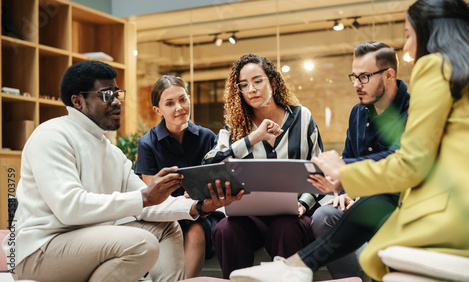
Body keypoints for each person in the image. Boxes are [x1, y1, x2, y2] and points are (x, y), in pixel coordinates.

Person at [229, 0, 469, 281]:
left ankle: (297, 267)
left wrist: (343, 171)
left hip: (461, 219)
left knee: (382, 199)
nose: (406, 48)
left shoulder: (436, 67)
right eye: (354, 77)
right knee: (347, 208)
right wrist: (344, 183)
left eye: (408, 34)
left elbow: (412, 163)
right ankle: (299, 266)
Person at [2, 60, 242, 282]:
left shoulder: (111, 152)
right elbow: (70, 208)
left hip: (84, 241)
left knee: (168, 226)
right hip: (39, 250)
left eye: (117, 93)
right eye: (106, 94)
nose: (116, 101)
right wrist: (144, 197)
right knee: (142, 243)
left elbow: (150, 203)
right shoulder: (52, 135)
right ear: (77, 101)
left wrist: (198, 207)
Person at [203, 53, 324, 279]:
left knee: (286, 229)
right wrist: (253, 138)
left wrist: (303, 204)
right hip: (250, 217)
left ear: (273, 82)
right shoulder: (234, 128)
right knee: (224, 230)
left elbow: (320, 171)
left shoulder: (302, 117)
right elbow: (210, 163)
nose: (251, 89)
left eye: (258, 81)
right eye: (244, 85)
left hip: (294, 215)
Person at [308, 41, 410, 279]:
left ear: (389, 74)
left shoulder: (414, 110)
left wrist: (348, 175)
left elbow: (399, 159)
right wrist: (345, 191)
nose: (356, 84)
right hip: (361, 200)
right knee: (324, 216)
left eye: (364, 77)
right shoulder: (358, 112)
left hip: (400, 204)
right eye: (354, 76)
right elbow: (349, 155)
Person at [134, 75, 236, 278]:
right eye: (169, 103)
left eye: (182, 99)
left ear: (189, 99)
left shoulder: (207, 137)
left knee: (197, 229)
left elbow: (219, 181)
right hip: (167, 216)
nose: (179, 107)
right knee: (177, 229)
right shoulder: (147, 144)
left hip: (204, 214)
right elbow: (153, 197)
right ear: (158, 110)